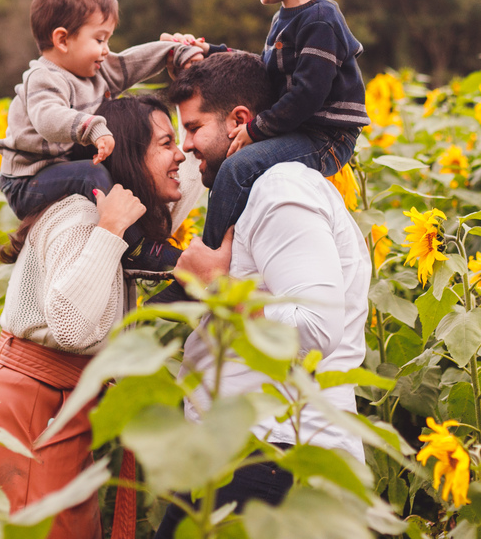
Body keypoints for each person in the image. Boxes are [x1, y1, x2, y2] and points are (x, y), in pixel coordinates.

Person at [0, 95, 202, 539]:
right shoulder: (80, 214)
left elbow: (186, 177)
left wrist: (201, 86)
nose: (181, 154)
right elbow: (71, 326)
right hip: (28, 412)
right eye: (167, 143)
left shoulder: (123, 214)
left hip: (57, 409)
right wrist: (108, 231)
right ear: (129, 155)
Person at [153, 52, 370, 538]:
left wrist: (217, 290)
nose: (186, 147)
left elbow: (316, 325)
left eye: (193, 128)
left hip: (273, 460)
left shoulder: (280, 190)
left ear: (240, 121)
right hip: (249, 457)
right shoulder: (258, 190)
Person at [164, 0, 369, 252]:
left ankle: (210, 259)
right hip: (300, 129)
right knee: (226, 162)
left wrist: (256, 129)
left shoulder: (321, 21)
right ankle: (240, 245)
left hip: (326, 138)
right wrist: (209, 52)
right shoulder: (285, 18)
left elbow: (308, 95)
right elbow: (263, 69)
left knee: (237, 168)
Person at [0, 0, 203, 270]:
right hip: (29, 182)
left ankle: (144, 232)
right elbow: (48, 119)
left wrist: (175, 52)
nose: (107, 51)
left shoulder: (94, 69)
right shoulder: (44, 78)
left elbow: (134, 61)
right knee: (91, 175)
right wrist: (93, 128)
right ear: (63, 40)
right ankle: (138, 248)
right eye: (100, 39)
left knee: (117, 168)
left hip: (60, 170)